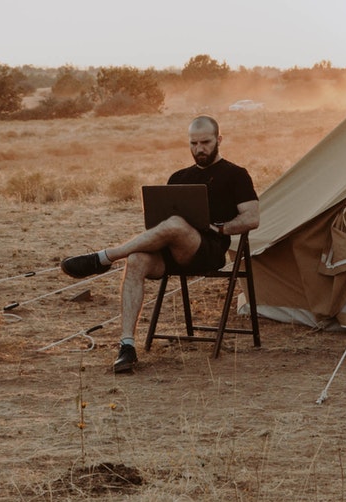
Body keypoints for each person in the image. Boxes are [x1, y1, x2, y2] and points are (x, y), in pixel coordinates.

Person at [60, 116, 259, 373]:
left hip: (208, 251)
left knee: (175, 223)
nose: (200, 148)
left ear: (219, 140)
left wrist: (221, 228)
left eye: (206, 142)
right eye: (194, 143)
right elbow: (158, 226)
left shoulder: (236, 175)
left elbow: (252, 218)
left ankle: (104, 258)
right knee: (135, 260)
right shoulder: (178, 177)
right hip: (171, 252)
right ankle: (127, 347)